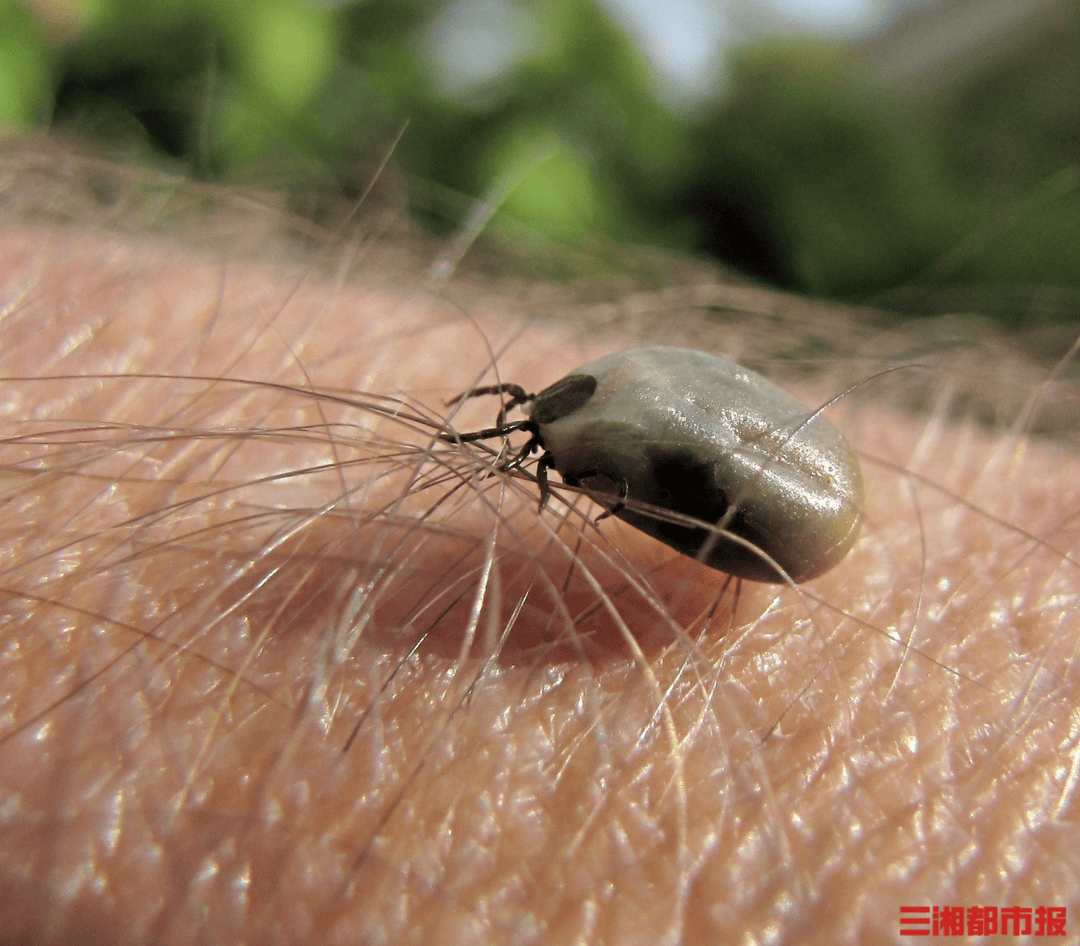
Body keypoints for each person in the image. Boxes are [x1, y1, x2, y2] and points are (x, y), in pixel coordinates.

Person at [1, 144, 1076, 944]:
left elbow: (595, 438)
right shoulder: (615, 401)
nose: (523, 428)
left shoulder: (607, 420)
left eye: (533, 432)